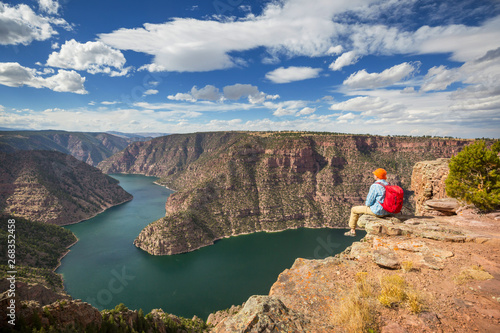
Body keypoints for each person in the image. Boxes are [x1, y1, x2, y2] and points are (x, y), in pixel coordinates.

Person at [344, 168, 390, 236]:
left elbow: (368, 202)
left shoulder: (375, 186)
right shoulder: (388, 185)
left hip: (377, 211)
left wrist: (369, 205)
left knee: (354, 209)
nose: (373, 176)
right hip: (387, 211)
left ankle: (352, 230)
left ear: (377, 176)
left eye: (374, 174)